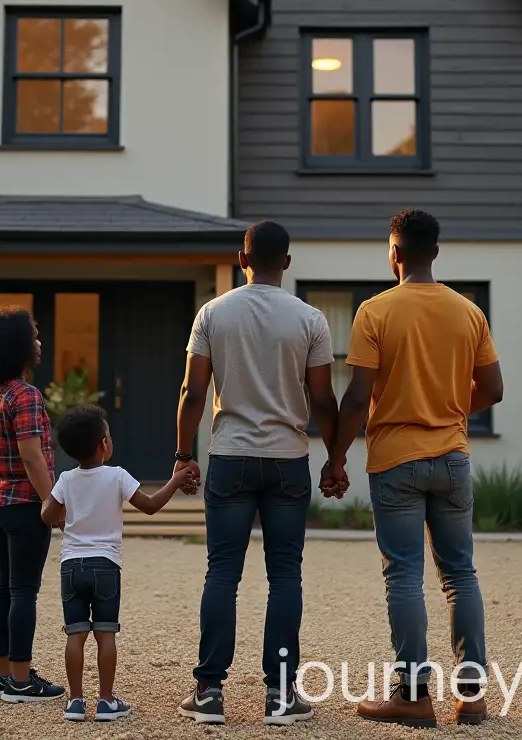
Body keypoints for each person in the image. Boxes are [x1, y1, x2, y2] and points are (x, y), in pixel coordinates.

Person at [326, 208, 504, 728]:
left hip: (396, 461)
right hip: (452, 458)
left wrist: (336, 458)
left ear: (395, 253)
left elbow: (357, 397)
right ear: (436, 252)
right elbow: (492, 390)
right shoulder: (469, 312)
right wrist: (446, 411)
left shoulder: (374, 312)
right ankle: (471, 696)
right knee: (460, 573)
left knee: (403, 574)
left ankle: (412, 696)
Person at [174, 220, 344, 727]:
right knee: (285, 574)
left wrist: (184, 456)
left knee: (222, 573)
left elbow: (193, 393)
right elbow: (324, 400)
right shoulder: (310, 319)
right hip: (289, 459)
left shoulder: (212, 313)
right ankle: (281, 695)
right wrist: (335, 460)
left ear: (241, 259)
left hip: (230, 456)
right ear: (287, 263)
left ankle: (209, 692)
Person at [41, 405, 198, 722]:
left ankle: (75, 701)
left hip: (71, 565)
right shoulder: (117, 476)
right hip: (105, 566)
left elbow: (46, 515)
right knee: (105, 634)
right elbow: (150, 506)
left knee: (75, 633)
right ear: (103, 444)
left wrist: (62, 518)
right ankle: (106, 701)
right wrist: (175, 480)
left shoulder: (66, 480)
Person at [0, 306, 66, 704]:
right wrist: (51, 503)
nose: (40, 343)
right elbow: (32, 457)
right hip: (25, 505)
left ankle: (2, 674)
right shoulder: (25, 396)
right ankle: (22, 683)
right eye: (35, 336)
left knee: (4, 587)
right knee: (24, 590)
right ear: (19, 347)